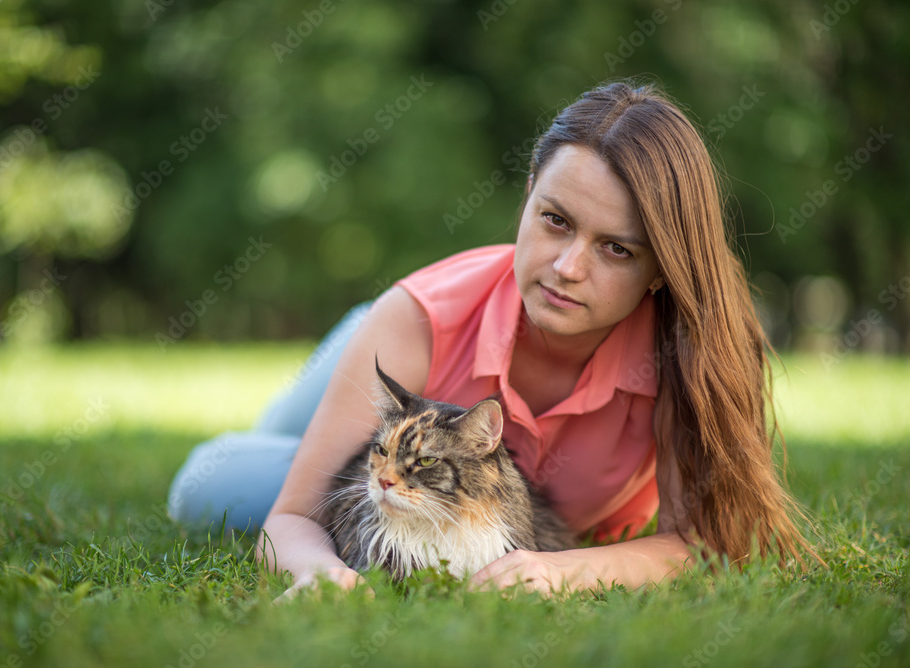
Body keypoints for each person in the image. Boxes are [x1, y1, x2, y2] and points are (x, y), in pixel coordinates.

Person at [167, 79, 818, 598]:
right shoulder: (413, 320)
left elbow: (697, 543)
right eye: (555, 220)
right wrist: (321, 573)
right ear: (528, 194)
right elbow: (292, 522)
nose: (568, 267)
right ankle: (297, 436)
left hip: (415, 437)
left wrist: (563, 572)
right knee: (210, 486)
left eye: (617, 249)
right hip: (386, 352)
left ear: (660, 268)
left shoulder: (690, 354)